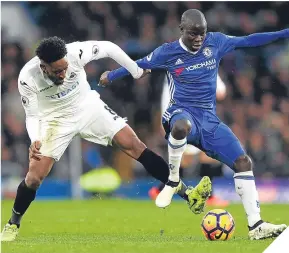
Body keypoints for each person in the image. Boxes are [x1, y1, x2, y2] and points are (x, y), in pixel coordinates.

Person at [99, 9, 288, 240]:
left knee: (243, 162)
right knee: (181, 127)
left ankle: (256, 225)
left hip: (209, 120)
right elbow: (138, 65)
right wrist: (111, 75)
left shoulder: (216, 42)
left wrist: (284, 32)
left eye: (202, 34)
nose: (198, 39)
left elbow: (249, 40)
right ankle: (173, 178)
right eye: (193, 34)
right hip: (179, 112)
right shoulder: (168, 52)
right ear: (182, 30)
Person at [1, 37, 212, 242]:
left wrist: (136, 70)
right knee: (34, 178)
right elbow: (33, 115)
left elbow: (109, 47)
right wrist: (36, 138)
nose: (64, 74)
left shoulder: (75, 52)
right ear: (44, 67)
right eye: (57, 71)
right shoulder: (27, 77)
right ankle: (13, 223)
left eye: (65, 68)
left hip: (87, 107)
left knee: (135, 145)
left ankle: (189, 195)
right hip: (54, 120)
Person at [149, 73, 228, 207]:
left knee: (189, 158)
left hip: (185, 114)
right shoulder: (198, 61)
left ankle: (159, 189)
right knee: (205, 153)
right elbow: (221, 92)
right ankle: (208, 195)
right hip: (186, 115)